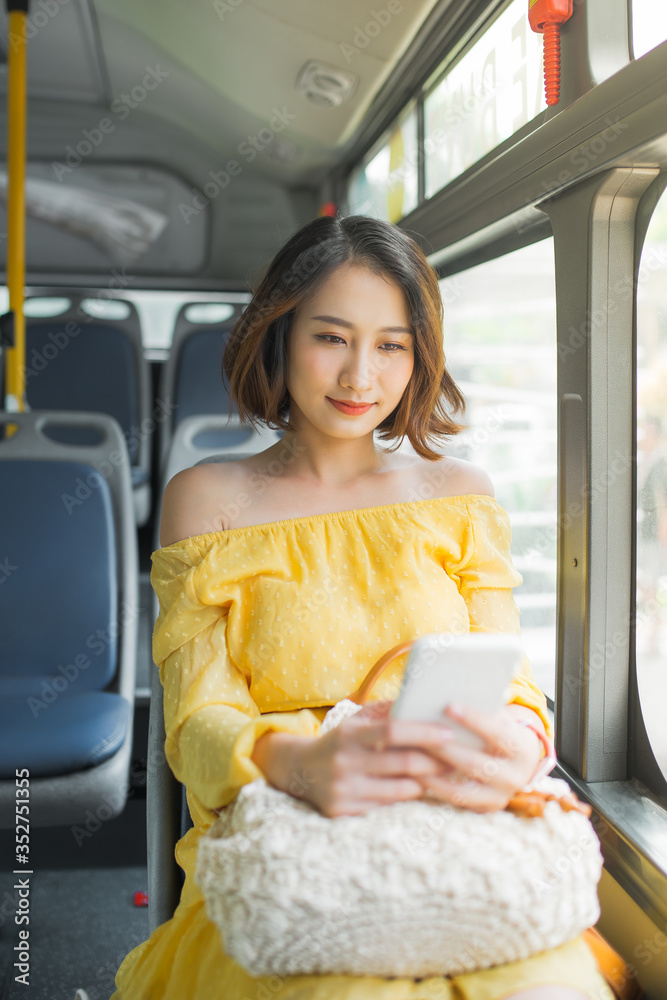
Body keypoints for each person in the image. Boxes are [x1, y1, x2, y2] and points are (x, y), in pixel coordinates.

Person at [112, 215, 615, 1000]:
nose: (359, 377)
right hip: (281, 836)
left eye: (391, 345)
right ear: (277, 337)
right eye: (332, 338)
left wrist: (512, 746)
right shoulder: (206, 499)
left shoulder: (459, 495)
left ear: (420, 357)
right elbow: (195, 723)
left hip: (455, 835)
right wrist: (296, 763)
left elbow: (510, 684)